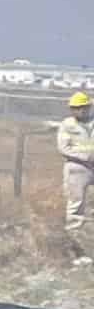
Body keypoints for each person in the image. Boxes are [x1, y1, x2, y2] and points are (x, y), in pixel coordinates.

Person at [62, 91, 94, 251]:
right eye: (75, 108)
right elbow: (63, 147)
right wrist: (84, 156)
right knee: (76, 202)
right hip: (77, 167)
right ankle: (74, 237)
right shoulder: (67, 125)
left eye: (83, 107)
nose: (79, 111)